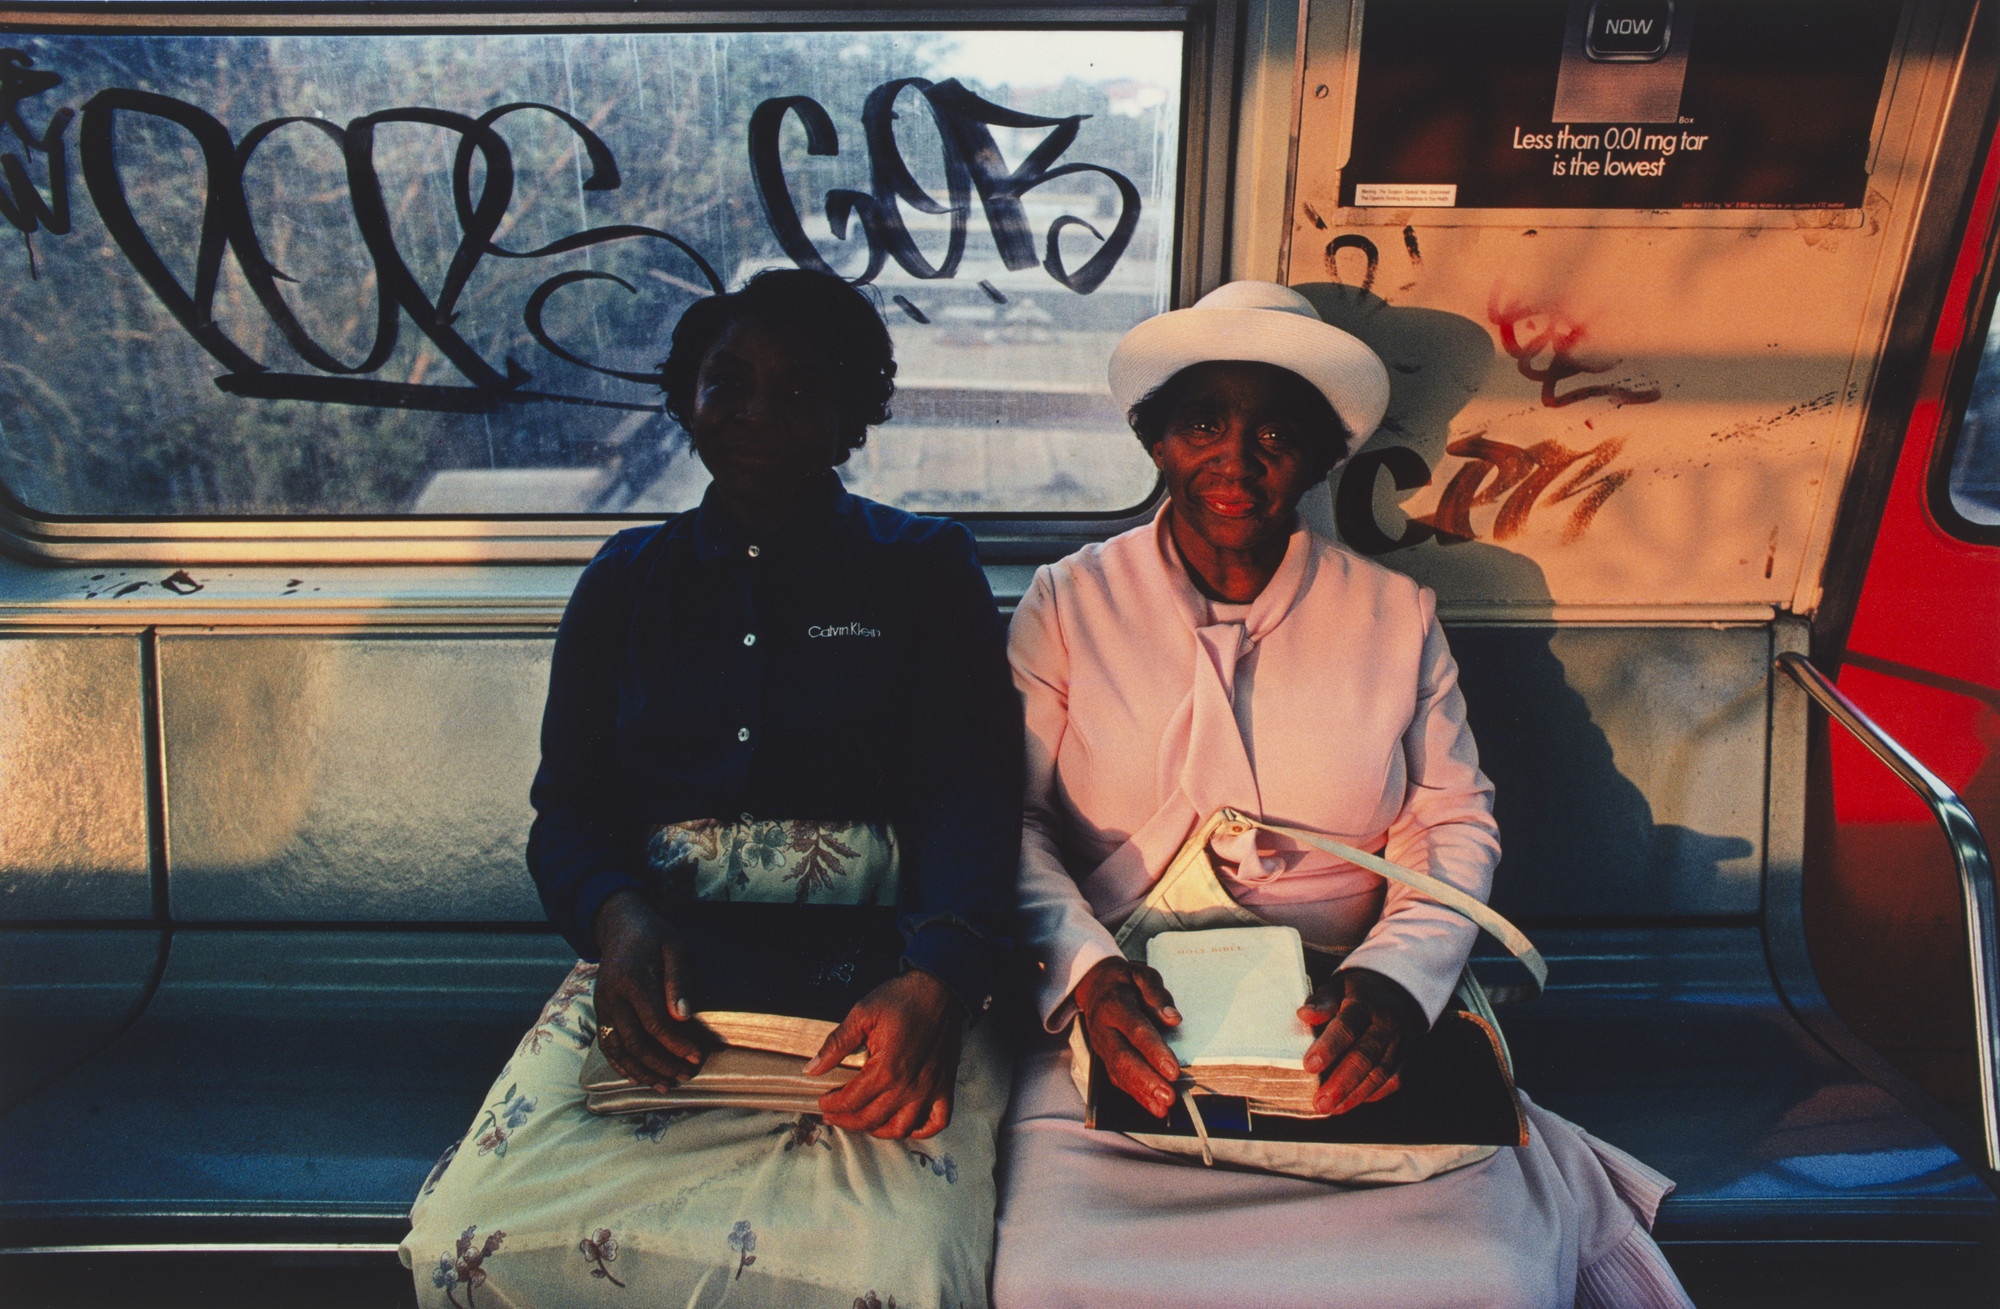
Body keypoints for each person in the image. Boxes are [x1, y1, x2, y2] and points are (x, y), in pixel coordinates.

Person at [991, 281, 1694, 1309]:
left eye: (1275, 434)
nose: (1235, 459)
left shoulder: (1393, 614)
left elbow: (1448, 819)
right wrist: (1086, 976)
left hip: (1337, 1022)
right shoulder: (1067, 601)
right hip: (1124, 1021)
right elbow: (1008, 819)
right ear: (1155, 441)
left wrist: (1396, 981)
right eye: (1202, 425)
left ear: (1323, 456)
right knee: (1048, 1273)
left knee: (1484, 1274)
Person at [401, 268, 1022, 1309]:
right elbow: (569, 811)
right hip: (659, 976)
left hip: (894, 975)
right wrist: (617, 919)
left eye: (800, 388)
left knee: (896, 1264)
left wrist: (940, 980)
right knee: (470, 1234)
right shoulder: (623, 581)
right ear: (684, 402)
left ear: (852, 416)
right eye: (726, 383)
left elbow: (971, 794)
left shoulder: (925, 568)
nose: (755, 413)